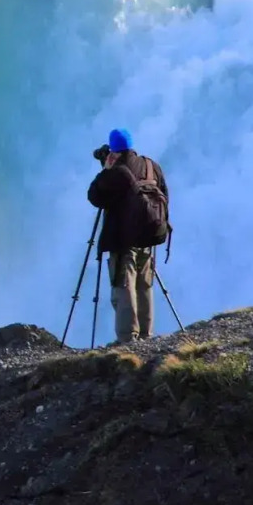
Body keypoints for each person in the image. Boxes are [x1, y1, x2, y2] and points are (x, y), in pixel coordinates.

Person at [87, 128, 170, 344]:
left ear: (113, 150)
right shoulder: (151, 166)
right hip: (150, 236)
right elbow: (165, 194)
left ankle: (127, 338)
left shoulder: (117, 172)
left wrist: (105, 170)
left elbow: (95, 196)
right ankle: (146, 334)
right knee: (145, 284)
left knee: (124, 285)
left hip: (124, 239)